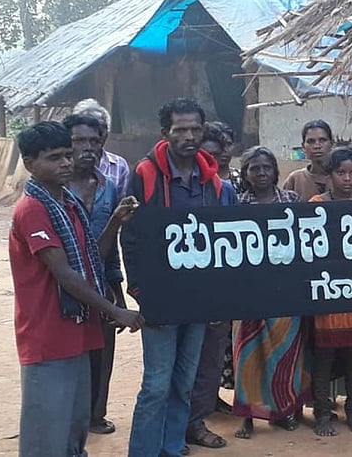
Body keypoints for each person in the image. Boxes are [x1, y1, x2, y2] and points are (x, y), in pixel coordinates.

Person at [9, 121, 143, 457]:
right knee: (46, 437)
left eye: (67, 155)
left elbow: (90, 258)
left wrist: (114, 220)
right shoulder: (33, 210)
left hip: (78, 331)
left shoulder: (67, 206)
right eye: (55, 158)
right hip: (48, 335)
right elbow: (65, 274)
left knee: (74, 430)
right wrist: (114, 310)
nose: (66, 163)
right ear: (29, 163)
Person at [122, 98, 237, 457]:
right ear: (165, 134)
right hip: (160, 296)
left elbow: (226, 243)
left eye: (195, 129)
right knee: (157, 382)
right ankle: (143, 451)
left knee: (184, 381)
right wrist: (138, 288)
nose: (189, 136)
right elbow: (132, 235)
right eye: (180, 129)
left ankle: (172, 447)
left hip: (199, 299)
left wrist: (220, 298)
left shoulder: (213, 183)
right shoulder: (144, 175)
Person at [233, 146, 312, 439]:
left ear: (275, 171)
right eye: (255, 168)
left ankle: (283, 412)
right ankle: (248, 417)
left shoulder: (291, 200)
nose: (262, 173)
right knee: (247, 356)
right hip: (248, 290)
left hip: (285, 289)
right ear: (246, 173)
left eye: (266, 167)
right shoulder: (235, 204)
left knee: (286, 354)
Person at [62, 113, 127, 436]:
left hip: (101, 282)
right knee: (69, 353)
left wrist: (117, 291)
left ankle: (96, 414)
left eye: (94, 141)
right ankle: (70, 414)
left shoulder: (108, 187)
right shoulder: (53, 190)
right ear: (66, 145)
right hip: (62, 285)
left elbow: (110, 244)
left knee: (102, 352)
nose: (87, 148)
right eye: (79, 141)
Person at [185, 122, 239, 451]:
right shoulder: (172, 189)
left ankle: (196, 422)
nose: (210, 161)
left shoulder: (225, 191)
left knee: (209, 363)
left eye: (216, 156)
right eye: (205, 154)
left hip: (215, 290)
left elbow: (234, 244)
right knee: (180, 365)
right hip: (182, 291)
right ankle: (178, 423)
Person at [309, 147, 352, 436]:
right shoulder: (316, 204)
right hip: (326, 293)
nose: (347, 179)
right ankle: (323, 413)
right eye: (341, 173)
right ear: (330, 175)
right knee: (324, 358)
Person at [73, 98, 130, 199]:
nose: (96, 133)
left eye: (101, 128)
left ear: (107, 133)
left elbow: (121, 204)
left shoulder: (119, 165)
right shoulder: (64, 167)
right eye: (89, 127)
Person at [284, 120, 334, 200]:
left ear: (331, 144)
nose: (317, 146)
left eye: (322, 140)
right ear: (303, 146)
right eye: (311, 141)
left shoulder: (341, 177)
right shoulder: (295, 179)